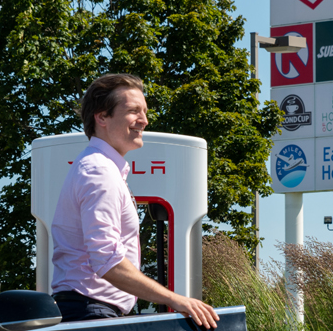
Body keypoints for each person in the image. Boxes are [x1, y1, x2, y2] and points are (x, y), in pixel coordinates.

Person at [50, 73, 219, 328]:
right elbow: (107, 261)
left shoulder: (101, 169)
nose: (144, 120)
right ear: (102, 116)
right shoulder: (99, 172)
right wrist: (177, 300)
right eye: (133, 111)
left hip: (89, 310)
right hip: (89, 311)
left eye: (145, 111)